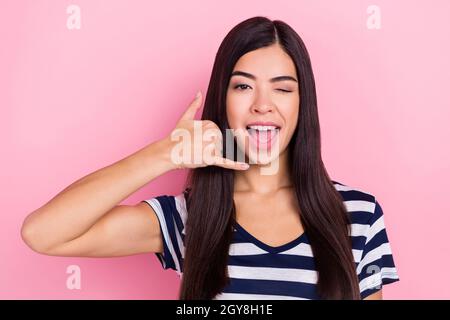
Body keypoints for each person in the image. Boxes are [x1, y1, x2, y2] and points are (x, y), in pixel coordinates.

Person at [21, 16, 399, 300]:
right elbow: (43, 233)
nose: (263, 105)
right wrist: (165, 154)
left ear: (303, 104)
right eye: (243, 86)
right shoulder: (192, 216)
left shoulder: (358, 215)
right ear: (223, 99)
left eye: (282, 89)